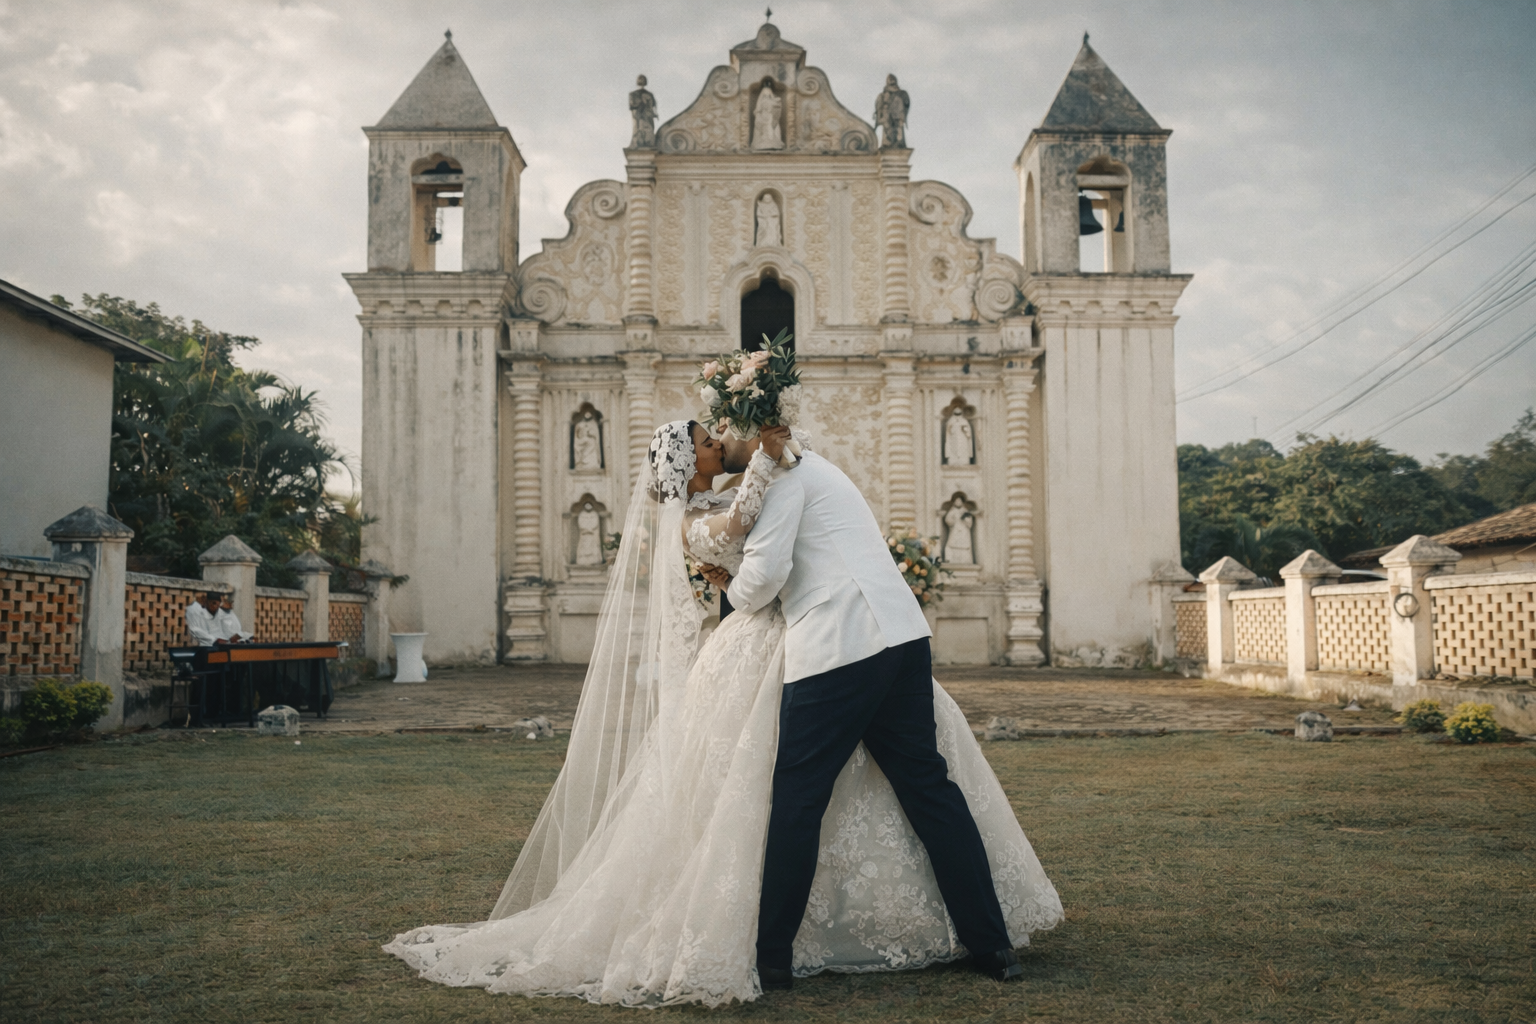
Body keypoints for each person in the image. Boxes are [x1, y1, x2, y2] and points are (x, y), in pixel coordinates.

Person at [383, 421, 1061, 1005]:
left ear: (751, 434)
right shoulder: (801, 467)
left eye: (726, 431)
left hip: (838, 646)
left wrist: (736, 584)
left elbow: (762, 581)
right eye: (711, 438)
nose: (723, 440)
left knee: (795, 797)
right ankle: (991, 946)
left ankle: (769, 956)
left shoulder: (782, 476)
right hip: (902, 635)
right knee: (929, 789)